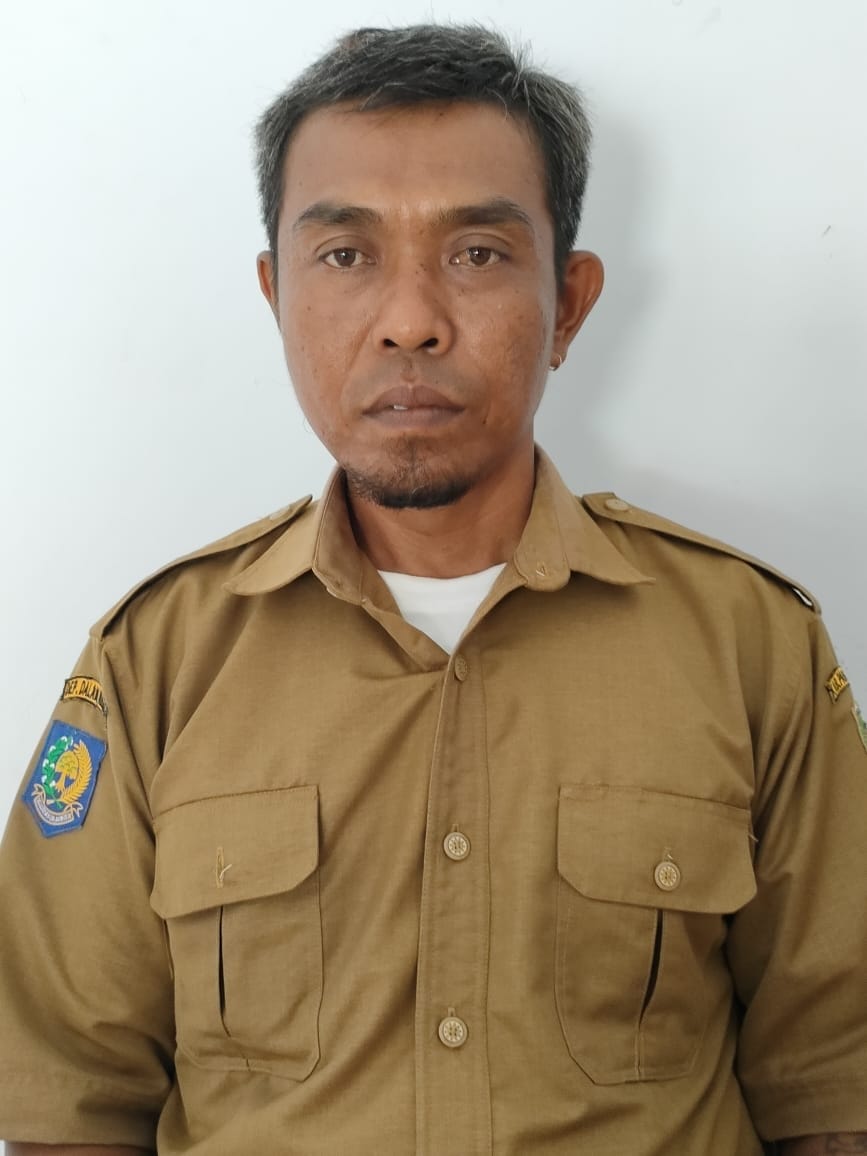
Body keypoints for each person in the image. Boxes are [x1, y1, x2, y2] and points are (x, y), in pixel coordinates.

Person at [0, 23, 865, 1156]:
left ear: (569, 304)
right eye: (344, 255)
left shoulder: (750, 644)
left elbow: (835, 1086)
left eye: (478, 254)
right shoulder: (153, 661)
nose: (409, 320)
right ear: (274, 295)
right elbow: (70, 1100)